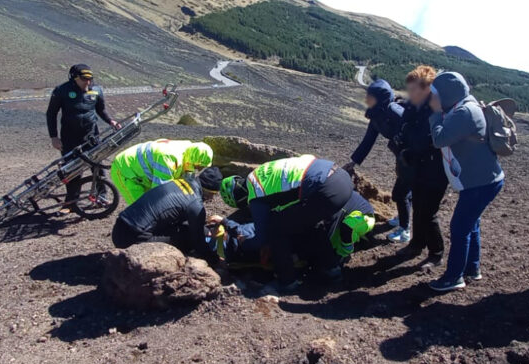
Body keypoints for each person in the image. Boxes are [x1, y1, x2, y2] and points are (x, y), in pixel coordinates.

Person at [219, 154, 360, 292]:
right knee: (307, 223)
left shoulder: (255, 194)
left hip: (325, 188)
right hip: (341, 177)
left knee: (276, 230)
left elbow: (262, 238)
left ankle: (288, 283)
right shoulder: (260, 174)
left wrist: (243, 241)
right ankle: (332, 269)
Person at [427, 72, 505, 292]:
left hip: (480, 183)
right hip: (484, 180)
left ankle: (454, 277)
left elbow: (439, 139)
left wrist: (433, 113)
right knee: (471, 224)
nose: (433, 98)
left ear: (447, 94)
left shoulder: (464, 112)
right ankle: (472, 268)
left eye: (436, 94)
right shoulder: (464, 106)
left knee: (460, 228)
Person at [392, 65, 449, 269]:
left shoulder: (435, 107)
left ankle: (436, 253)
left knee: (428, 211)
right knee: (418, 206)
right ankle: (417, 244)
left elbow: (427, 138)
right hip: (420, 166)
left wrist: (408, 141)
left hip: (436, 168)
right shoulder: (415, 107)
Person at [110, 167, 224, 264]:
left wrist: (202, 227)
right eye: (213, 195)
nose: (212, 199)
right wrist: (215, 260)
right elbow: (198, 241)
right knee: (188, 237)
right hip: (131, 242)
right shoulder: (195, 203)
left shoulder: (177, 182)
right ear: (208, 190)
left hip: (119, 228)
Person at [46, 64, 120, 204]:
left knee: (97, 166)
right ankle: (71, 202)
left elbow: (101, 110)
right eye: (84, 79)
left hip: (91, 135)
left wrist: (111, 121)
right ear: (74, 78)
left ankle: (101, 195)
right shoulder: (61, 91)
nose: (87, 82)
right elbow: (51, 114)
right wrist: (54, 137)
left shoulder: (96, 90)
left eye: (90, 79)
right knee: (72, 170)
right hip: (69, 137)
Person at [346, 80, 409, 243]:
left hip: (412, 157)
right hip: (401, 156)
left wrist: (401, 142)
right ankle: (402, 219)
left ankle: (405, 230)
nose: (367, 100)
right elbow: (368, 141)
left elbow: (412, 128)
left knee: (400, 193)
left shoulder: (393, 110)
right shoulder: (376, 116)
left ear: (381, 98)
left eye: (370, 97)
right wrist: (353, 162)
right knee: (403, 192)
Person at [110, 139, 214, 205]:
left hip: (143, 173)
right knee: (141, 208)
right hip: (125, 170)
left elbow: (185, 179)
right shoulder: (169, 159)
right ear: (194, 159)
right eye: (199, 166)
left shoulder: (189, 151)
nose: (199, 169)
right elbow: (160, 191)